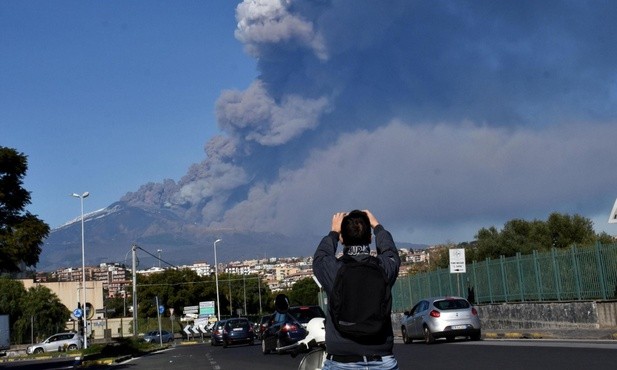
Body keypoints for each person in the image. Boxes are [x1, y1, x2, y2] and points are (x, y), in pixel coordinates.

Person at [313, 210, 401, 370]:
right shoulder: (384, 268)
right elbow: (390, 253)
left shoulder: (334, 270)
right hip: (381, 360)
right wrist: (378, 226)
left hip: (341, 362)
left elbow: (320, 257)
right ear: (370, 238)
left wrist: (333, 232)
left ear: (342, 239)